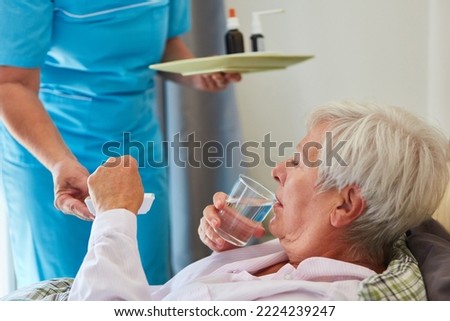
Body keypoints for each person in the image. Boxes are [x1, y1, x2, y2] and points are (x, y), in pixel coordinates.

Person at [67, 101, 449, 300]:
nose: (278, 170)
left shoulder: (315, 301)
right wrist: (222, 258)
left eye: (299, 161)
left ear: (346, 206)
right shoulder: (307, 254)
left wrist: (115, 217)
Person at [0, 1, 240, 288]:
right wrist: (60, 162)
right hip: (52, 143)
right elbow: (11, 83)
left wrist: (199, 75)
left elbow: (165, 43)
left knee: (143, 281)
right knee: (67, 289)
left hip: (135, 142)